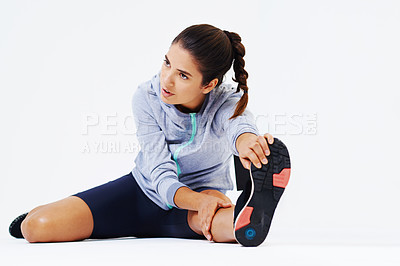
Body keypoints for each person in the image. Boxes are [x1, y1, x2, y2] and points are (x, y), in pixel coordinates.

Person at [9, 24, 291, 247]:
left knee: (234, 226)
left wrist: (247, 144)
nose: (166, 79)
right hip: (142, 193)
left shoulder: (225, 100)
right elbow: (159, 171)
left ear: (209, 84)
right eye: (167, 63)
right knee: (35, 227)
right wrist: (199, 201)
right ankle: (37, 213)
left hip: (202, 197)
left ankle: (251, 206)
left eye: (183, 75)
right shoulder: (147, 97)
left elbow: (238, 125)